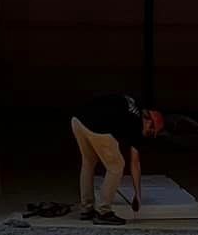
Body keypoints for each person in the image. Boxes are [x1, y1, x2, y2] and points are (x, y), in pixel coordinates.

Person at [70, 94, 164, 226]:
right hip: (97, 126)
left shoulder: (134, 106)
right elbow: (135, 163)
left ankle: (86, 209)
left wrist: (137, 194)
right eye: (150, 132)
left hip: (78, 120)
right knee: (116, 166)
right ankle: (103, 212)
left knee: (88, 163)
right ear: (149, 122)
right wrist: (138, 194)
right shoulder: (136, 124)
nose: (147, 135)